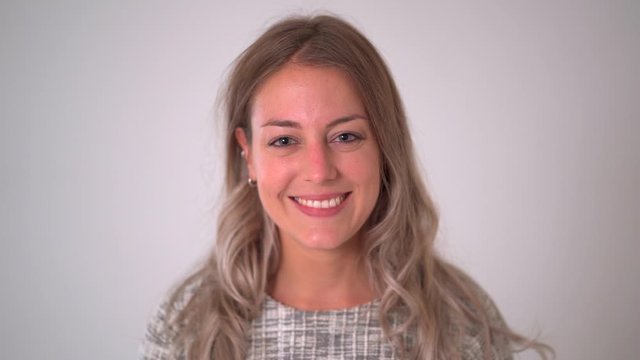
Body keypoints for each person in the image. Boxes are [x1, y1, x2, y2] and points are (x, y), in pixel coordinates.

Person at [141, 14, 553, 360]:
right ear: (248, 154)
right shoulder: (187, 324)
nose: (319, 171)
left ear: (384, 146)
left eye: (345, 137)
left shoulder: (460, 318)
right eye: (284, 140)